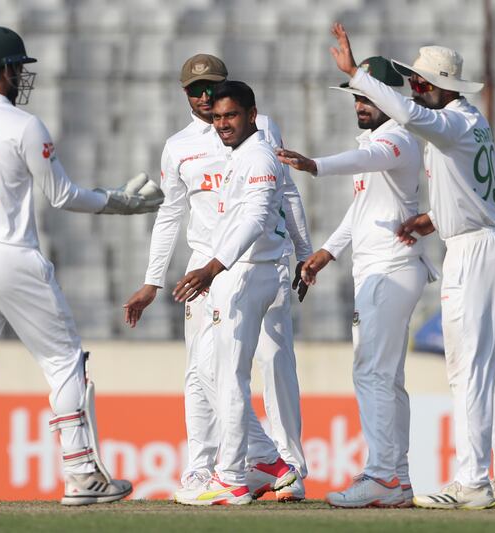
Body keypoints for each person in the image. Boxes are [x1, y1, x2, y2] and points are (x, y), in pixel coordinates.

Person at [0, 25, 160, 511]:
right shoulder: (23, 126)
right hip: (13, 255)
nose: (21, 77)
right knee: (64, 360)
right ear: (6, 70)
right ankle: (81, 474)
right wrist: (122, 203)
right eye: (19, 68)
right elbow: (62, 195)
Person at [328, 22, 495, 509]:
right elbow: (488, 186)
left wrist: (358, 73)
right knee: (483, 368)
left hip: (472, 250)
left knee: (465, 371)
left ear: (440, 87)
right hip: (490, 239)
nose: (414, 90)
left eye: (419, 84)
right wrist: (432, 216)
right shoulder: (475, 121)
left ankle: (471, 483)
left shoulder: (450, 122)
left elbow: (407, 116)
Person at [123, 55, 311, 501]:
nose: (206, 98)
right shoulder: (179, 146)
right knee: (205, 370)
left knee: (274, 361)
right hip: (207, 264)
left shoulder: (259, 131)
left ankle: (287, 467)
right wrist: (153, 279)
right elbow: (171, 213)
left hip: (260, 260)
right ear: (184, 93)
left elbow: (284, 194)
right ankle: (204, 468)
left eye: (214, 88)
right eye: (196, 89)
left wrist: (304, 252)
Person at [277, 56, 438, 508]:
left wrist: (315, 165)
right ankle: (398, 478)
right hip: (378, 269)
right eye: (356, 98)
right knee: (386, 375)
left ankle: (383, 476)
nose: (359, 106)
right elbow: (361, 210)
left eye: (367, 97)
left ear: (390, 99)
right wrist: (327, 252)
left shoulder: (399, 139)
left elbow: (367, 157)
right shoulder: (381, 139)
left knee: (371, 371)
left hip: (390, 269)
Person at [169, 81, 298, 505]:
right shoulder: (240, 153)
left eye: (231, 116)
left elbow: (256, 219)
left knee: (229, 375)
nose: (222, 123)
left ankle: (230, 479)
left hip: (246, 273)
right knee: (209, 369)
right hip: (237, 271)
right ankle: (266, 461)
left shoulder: (258, 155)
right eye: (218, 117)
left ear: (252, 115)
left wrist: (212, 267)